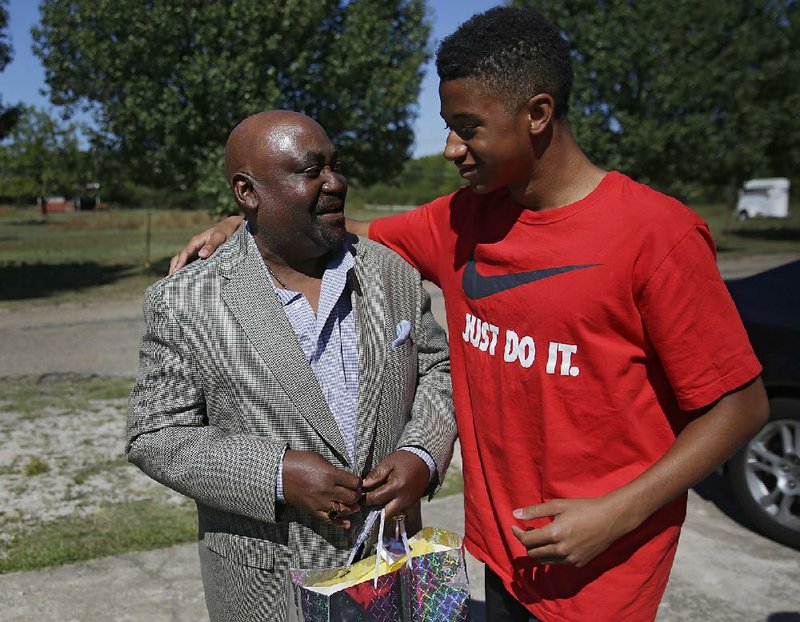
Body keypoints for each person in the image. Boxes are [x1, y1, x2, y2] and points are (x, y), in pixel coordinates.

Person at [169, 8, 770, 621]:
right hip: (502, 551)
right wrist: (246, 223)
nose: (453, 148)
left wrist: (617, 511)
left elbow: (741, 405)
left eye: (468, 128)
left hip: (600, 561)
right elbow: (351, 232)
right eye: (448, 127)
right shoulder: (462, 218)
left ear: (537, 114)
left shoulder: (656, 235)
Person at [127, 110, 456, 622]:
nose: (335, 183)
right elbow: (155, 434)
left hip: (391, 566)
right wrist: (277, 474)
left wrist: (422, 453)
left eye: (336, 165)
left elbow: (440, 369)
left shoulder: (391, 272)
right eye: (310, 171)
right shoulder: (187, 300)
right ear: (247, 192)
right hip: (267, 590)